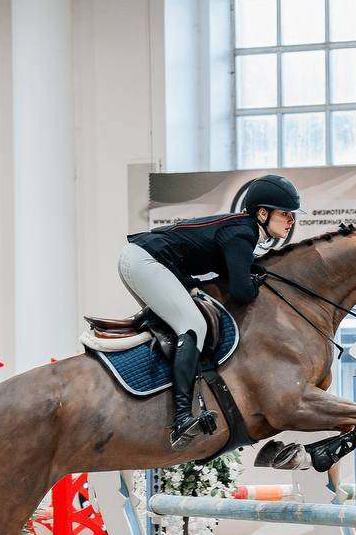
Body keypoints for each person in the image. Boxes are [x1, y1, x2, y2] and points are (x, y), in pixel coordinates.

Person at [119, 174, 302, 446]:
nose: (291, 221)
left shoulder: (242, 231)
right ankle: (181, 418)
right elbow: (241, 292)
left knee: (180, 326)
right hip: (146, 261)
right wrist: (253, 282)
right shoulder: (243, 232)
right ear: (262, 213)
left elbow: (243, 271)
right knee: (193, 326)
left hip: (141, 258)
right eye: (285, 214)